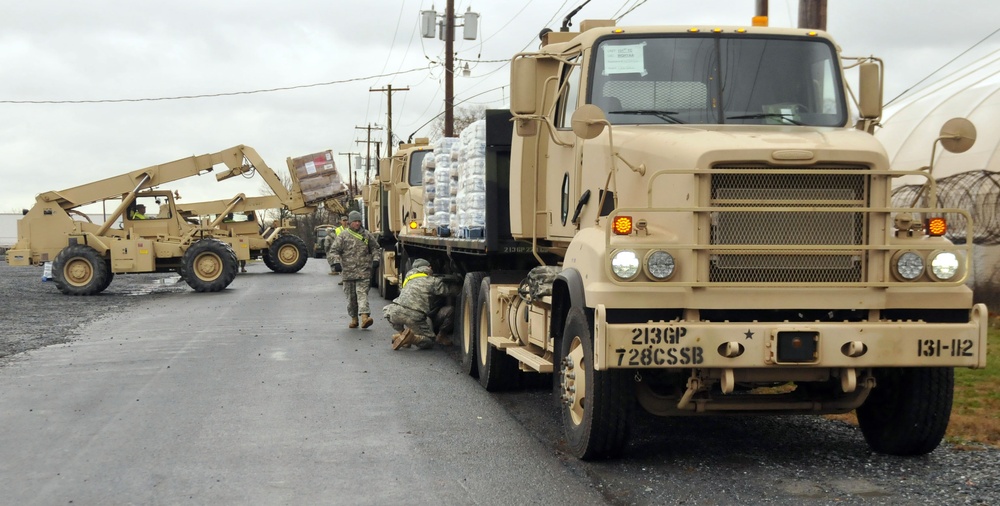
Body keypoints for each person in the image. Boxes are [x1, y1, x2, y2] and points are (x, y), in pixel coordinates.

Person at [385, 258, 459, 350]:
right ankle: (412, 338)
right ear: (429, 267)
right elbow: (451, 291)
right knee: (429, 341)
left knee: (388, 312)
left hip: (396, 312)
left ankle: (402, 334)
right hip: (415, 316)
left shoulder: (408, 278)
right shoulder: (432, 281)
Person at [329, 210, 380, 329]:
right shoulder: (343, 236)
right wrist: (336, 263)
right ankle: (354, 319)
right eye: (355, 221)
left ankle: (365, 318)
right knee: (351, 298)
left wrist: (376, 259)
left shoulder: (366, 235)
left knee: (362, 294)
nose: (357, 224)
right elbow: (334, 251)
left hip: (364, 271)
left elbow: (375, 248)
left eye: (359, 221)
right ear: (350, 223)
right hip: (348, 272)